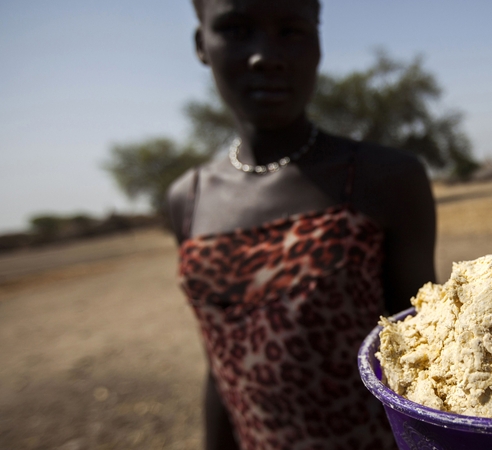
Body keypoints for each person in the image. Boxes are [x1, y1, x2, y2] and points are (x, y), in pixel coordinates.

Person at [166, 0, 436, 448]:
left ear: (317, 43)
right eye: (235, 29)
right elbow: (220, 369)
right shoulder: (188, 199)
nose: (264, 55)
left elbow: (426, 351)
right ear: (201, 44)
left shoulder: (384, 179)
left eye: (290, 31)